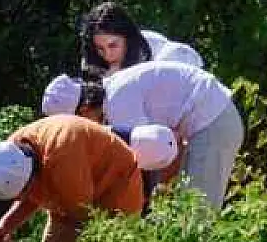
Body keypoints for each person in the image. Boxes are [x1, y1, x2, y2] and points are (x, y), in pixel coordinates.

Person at [0, 114, 166, 242]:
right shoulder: (11, 153)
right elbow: (31, 194)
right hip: (76, 195)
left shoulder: (63, 160)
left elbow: (83, 221)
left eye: (22, 193)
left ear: (30, 182)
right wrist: (5, 225)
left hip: (117, 189)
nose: (22, 197)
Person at [41, 61, 244, 209]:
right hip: (209, 121)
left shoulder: (119, 106)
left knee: (199, 213)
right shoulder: (113, 93)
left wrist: (154, 195)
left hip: (212, 121)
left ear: (84, 109)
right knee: (186, 207)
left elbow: (166, 152)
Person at [80, 1, 204, 74]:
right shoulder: (92, 62)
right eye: (100, 48)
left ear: (127, 37)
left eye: (113, 45)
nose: (108, 55)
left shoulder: (170, 56)